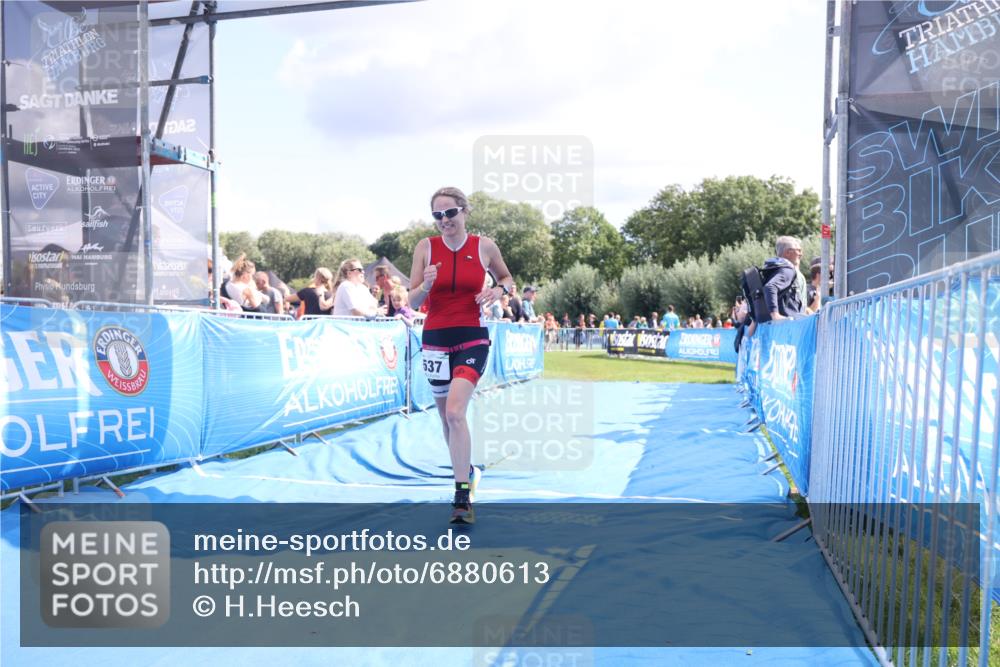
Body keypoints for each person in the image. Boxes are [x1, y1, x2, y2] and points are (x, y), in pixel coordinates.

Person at [408, 186, 514, 525]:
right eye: (437, 215)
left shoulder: (484, 246)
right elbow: (410, 302)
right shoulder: (425, 247)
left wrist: (499, 289)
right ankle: (467, 470)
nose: (444, 221)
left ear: (464, 211)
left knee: (455, 412)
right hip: (436, 338)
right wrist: (425, 286)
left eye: (450, 213)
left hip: (472, 337)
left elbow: (507, 278)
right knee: (446, 419)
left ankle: (461, 495)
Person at [763, 236, 807, 321]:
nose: (800, 254)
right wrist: (775, 315)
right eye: (798, 250)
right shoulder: (787, 270)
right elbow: (770, 287)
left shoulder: (771, 270)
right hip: (787, 325)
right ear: (788, 252)